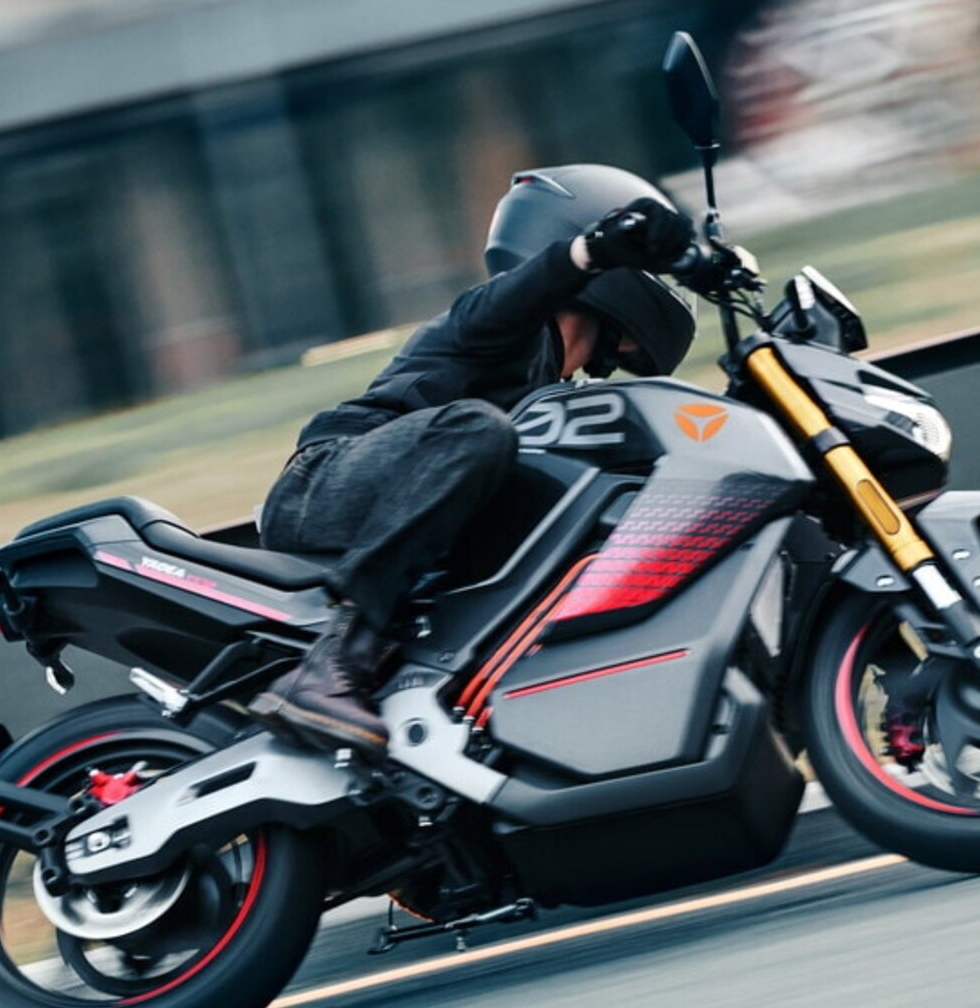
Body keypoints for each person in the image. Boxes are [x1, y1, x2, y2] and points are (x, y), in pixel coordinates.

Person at [251, 165, 700, 757]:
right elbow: (512, 301)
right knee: (481, 430)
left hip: (392, 497)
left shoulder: (554, 389)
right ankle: (333, 663)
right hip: (324, 481)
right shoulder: (503, 324)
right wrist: (593, 251)